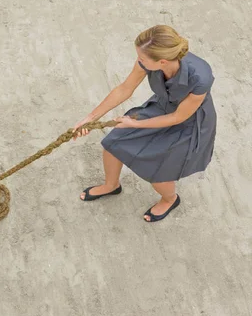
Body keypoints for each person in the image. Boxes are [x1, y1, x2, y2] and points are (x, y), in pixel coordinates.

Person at [72, 25, 216, 222]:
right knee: (113, 144)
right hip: (161, 107)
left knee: (160, 174)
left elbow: (178, 118)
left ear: (162, 62)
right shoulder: (148, 61)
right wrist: (91, 117)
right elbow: (125, 89)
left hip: (189, 124)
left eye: (142, 58)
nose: (138, 61)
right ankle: (111, 185)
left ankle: (169, 199)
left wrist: (134, 124)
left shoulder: (201, 77)